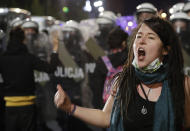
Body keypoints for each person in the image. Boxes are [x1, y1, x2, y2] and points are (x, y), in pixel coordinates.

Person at [54, 17, 190, 131]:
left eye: (150, 37)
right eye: (139, 36)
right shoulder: (123, 80)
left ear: (165, 50)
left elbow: (187, 124)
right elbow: (105, 117)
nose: (141, 41)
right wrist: (70, 107)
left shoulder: (183, 84)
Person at [0, 27, 57, 131]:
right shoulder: (29, 58)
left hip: (9, 106)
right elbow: (50, 68)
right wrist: (55, 50)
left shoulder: (3, 58)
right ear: (23, 40)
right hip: (28, 106)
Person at [89, 26, 128, 109]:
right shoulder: (130, 60)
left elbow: (96, 88)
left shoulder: (102, 62)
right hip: (125, 105)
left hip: (107, 106)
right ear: (124, 43)